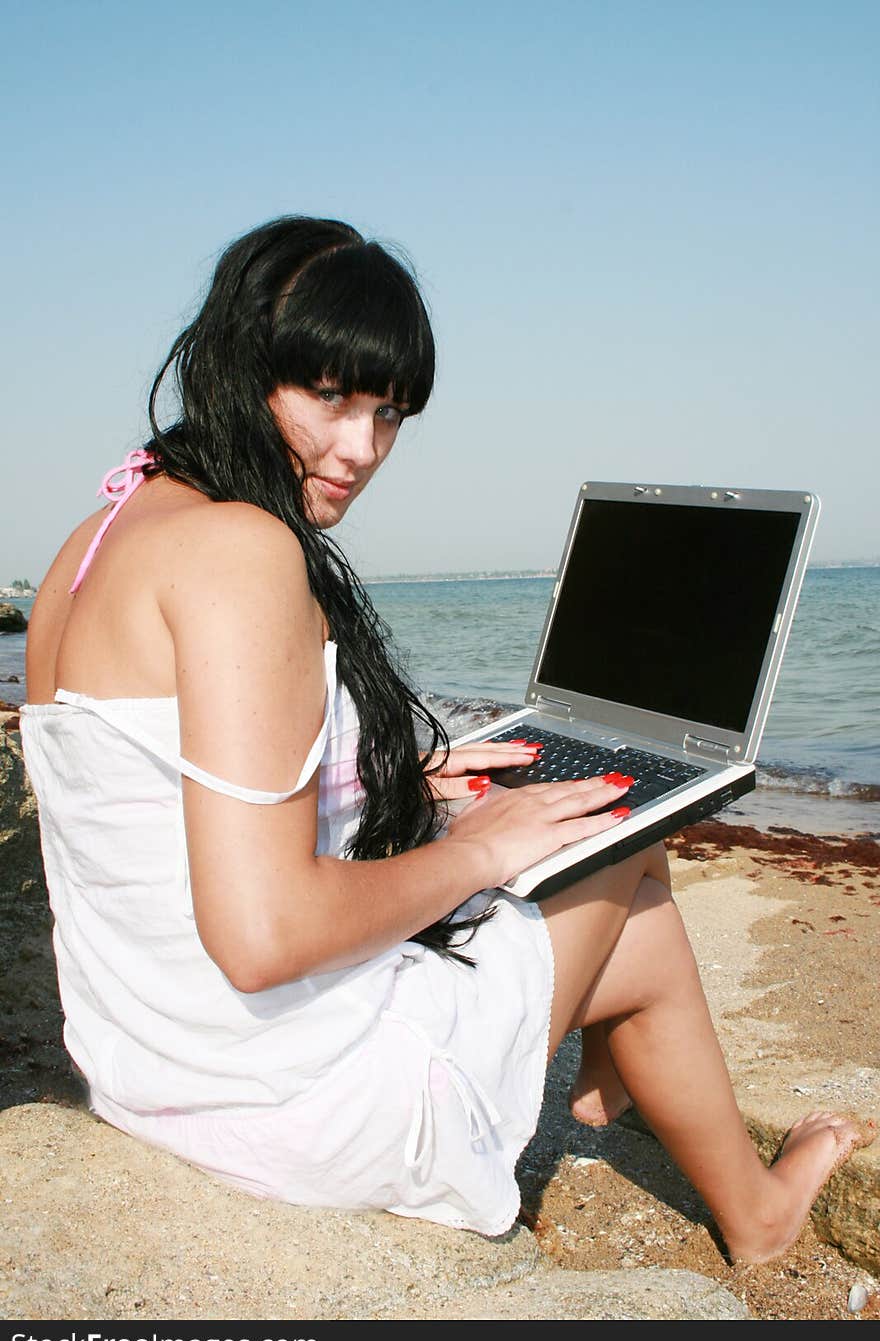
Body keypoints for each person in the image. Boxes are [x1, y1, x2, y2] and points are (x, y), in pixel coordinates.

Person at [21, 215, 872, 1263]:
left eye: (388, 412)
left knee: (596, 830)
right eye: (328, 395)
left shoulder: (105, 530)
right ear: (243, 358)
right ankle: (746, 1201)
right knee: (624, 868)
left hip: (153, 1066)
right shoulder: (237, 551)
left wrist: (379, 783)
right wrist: (476, 847)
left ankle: (621, 1072)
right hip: (285, 1104)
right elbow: (261, 934)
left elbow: (148, 798)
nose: (360, 448)